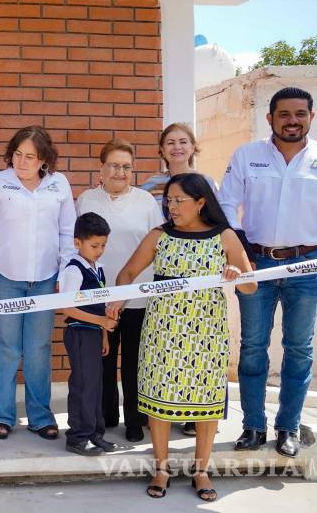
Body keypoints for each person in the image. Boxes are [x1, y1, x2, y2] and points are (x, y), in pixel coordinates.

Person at [219, 86, 317, 458]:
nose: (292, 120)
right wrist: (238, 252)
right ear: (271, 118)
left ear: (312, 117)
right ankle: (252, 426)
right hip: (257, 265)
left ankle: (288, 427)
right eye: (284, 114)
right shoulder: (247, 156)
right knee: (252, 349)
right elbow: (227, 206)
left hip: (308, 266)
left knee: (299, 349)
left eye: (300, 114)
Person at [117, 173, 255, 502]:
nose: (172, 206)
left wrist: (236, 276)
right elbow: (128, 272)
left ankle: (201, 470)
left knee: (206, 404)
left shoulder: (225, 237)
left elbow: (252, 285)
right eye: (169, 200)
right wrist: (118, 297)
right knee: (160, 401)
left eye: (179, 200)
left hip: (207, 332)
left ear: (201, 202)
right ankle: (161, 468)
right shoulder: (160, 235)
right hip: (163, 331)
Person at [0, 125, 74, 442]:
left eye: (29, 156)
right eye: (17, 154)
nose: (21, 161)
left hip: (45, 279)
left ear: (44, 159)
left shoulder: (59, 185)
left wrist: (65, 275)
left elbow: (67, 234)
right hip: (4, 277)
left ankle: (40, 416)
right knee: (5, 348)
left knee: (38, 349)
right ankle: (2, 415)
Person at [79, 140, 163, 443]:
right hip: (97, 298)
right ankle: (106, 415)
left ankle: (134, 420)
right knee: (101, 359)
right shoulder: (86, 199)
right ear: (101, 168)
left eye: (126, 166)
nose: (120, 171)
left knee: (133, 361)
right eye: (114, 165)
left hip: (137, 297)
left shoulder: (145, 202)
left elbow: (159, 246)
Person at [57, 212, 120, 457]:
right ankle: (77, 437)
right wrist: (101, 321)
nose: (100, 250)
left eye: (103, 245)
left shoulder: (98, 269)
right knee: (83, 385)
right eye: (94, 245)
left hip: (95, 334)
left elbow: (99, 303)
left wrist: (104, 332)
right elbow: (68, 308)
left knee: (96, 385)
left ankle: (95, 434)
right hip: (79, 333)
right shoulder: (74, 270)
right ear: (77, 243)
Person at [140, 123, 217, 204]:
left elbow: (216, 214)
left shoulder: (207, 183)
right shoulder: (150, 185)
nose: (177, 147)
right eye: (170, 143)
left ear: (192, 148)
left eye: (183, 142)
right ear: (162, 150)